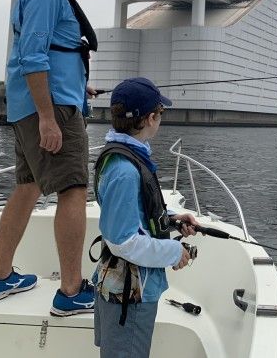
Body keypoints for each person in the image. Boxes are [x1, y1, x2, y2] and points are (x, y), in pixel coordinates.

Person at [0, 0, 105, 317]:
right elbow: (33, 56)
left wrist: (79, 88)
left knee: (27, 186)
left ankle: (0, 278)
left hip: (41, 104)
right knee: (73, 189)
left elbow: (52, 54)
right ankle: (71, 290)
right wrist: (49, 117)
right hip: (48, 111)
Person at [92, 77, 199, 358]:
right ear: (151, 118)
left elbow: (136, 210)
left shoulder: (124, 157)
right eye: (161, 113)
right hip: (129, 296)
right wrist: (175, 251)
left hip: (125, 289)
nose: (160, 119)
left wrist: (172, 218)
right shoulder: (124, 171)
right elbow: (123, 242)